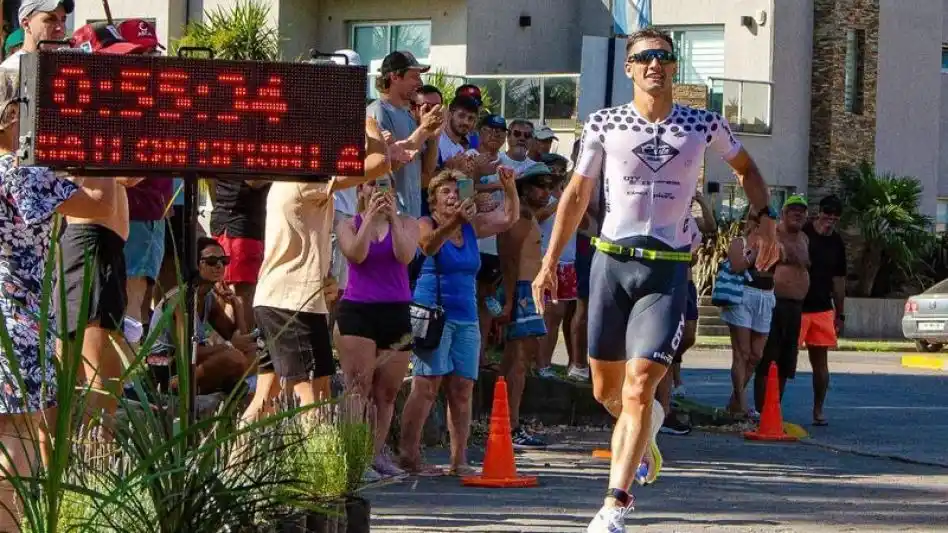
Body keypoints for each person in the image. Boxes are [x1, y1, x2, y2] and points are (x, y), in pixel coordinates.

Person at [532, 28, 778, 531]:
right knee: (608, 392)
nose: (654, 65)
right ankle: (649, 432)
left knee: (641, 387)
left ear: (673, 66)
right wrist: (548, 261)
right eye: (643, 58)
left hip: (667, 267)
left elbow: (749, 170)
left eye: (663, 57)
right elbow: (576, 198)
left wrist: (765, 217)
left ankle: (614, 504)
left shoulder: (703, 124)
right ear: (629, 69)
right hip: (609, 264)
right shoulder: (604, 123)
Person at [0, 70, 115, 531]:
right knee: (19, 440)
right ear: (12, 116)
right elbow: (99, 204)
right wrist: (95, 149)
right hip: (18, 326)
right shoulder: (17, 171)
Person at [242, 116, 402, 424]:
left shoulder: (297, 180)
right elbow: (380, 164)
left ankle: (232, 464)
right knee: (311, 397)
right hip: (290, 302)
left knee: (269, 396)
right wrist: (368, 127)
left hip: (292, 299)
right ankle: (319, 471)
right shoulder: (303, 182)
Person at [397, 168, 518, 476]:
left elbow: (508, 218)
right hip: (433, 313)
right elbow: (427, 247)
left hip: (466, 316)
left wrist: (510, 188)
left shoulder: (470, 226)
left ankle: (459, 459)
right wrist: (456, 221)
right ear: (433, 199)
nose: (452, 196)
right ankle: (408, 455)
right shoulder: (426, 222)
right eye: (445, 192)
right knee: (427, 385)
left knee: (463, 387)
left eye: (456, 191)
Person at [334, 179, 418, 480]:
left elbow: (405, 256)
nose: (378, 190)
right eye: (371, 184)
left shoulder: (408, 223)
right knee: (358, 387)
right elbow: (356, 254)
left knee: (387, 392)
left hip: (395, 310)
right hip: (359, 310)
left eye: (384, 184)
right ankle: (353, 456)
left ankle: (374, 453)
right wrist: (369, 217)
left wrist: (393, 217)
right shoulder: (348, 223)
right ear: (360, 191)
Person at [146, 237, 257, 396]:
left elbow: (240, 339)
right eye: (211, 261)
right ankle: (171, 389)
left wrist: (236, 305)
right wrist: (228, 347)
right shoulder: (180, 299)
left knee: (253, 354)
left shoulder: (208, 297)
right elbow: (188, 352)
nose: (219, 265)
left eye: (223, 260)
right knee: (232, 357)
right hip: (166, 367)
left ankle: (224, 385)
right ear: (196, 264)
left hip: (191, 365)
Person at [497, 163, 554, 448]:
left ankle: (506, 422)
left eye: (548, 186)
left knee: (518, 361)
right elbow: (507, 260)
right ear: (525, 189)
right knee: (518, 363)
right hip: (519, 292)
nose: (546, 192)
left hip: (529, 292)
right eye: (539, 186)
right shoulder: (517, 220)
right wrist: (508, 300)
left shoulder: (528, 216)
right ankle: (511, 426)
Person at [754, 195, 810, 413]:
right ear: (784, 213)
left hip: (796, 307)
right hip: (774, 304)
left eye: (802, 211)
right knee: (768, 359)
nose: (798, 214)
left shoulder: (805, 238)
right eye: (793, 210)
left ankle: (774, 408)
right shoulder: (773, 235)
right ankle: (760, 409)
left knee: (786, 362)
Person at [722, 210, 776, 419]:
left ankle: (734, 401)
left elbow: (779, 264)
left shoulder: (774, 242)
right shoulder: (740, 242)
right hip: (742, 296)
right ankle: (742, 405)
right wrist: (754, 251)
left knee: (756, 355)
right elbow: (738, 265)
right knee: (742, 353)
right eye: (757, 220)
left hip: (765, 296)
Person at [800, 194, 846, 426]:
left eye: (835, 218)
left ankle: (818, 410)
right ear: (819, 213)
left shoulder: (836, 242)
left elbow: (839, 280)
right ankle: (769, 406)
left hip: (821, 307)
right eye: (827, 215)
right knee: (783, 358)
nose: (830, 221)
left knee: (820, 363)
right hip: (797, 305)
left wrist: (840, 312)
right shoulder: (804, 233)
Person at [0, 0, 73, 71]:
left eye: (63, 20)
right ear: (26, 24)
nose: (59, 28)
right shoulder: (10, 70)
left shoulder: (67, 67)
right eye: (51, 19)